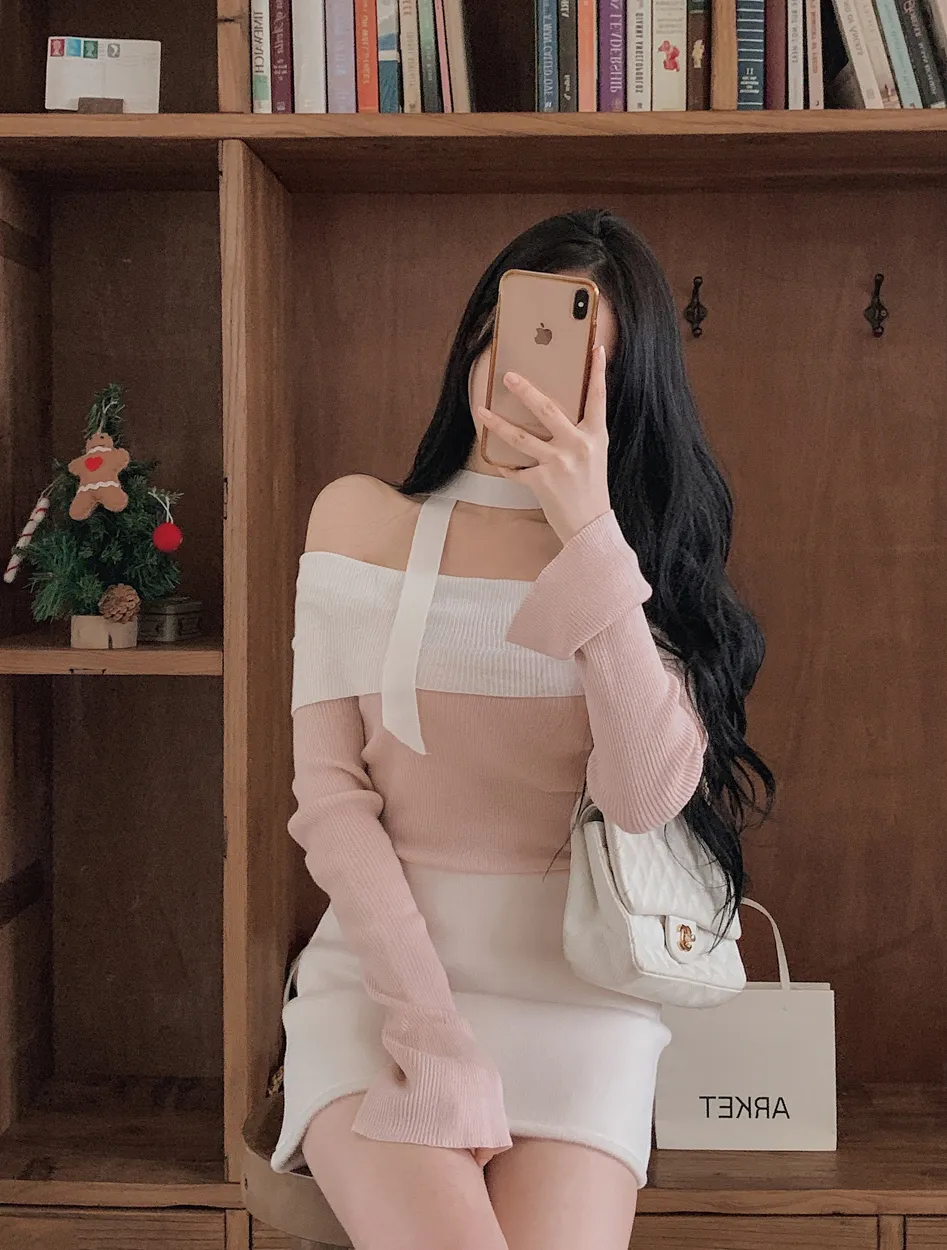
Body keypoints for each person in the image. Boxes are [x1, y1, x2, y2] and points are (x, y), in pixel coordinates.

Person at [269, 209, 775, 1250]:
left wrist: (586, 530)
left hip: (584, 1005)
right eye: (517, 337)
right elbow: (331, 803)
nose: (532, 381)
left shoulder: (638, 564)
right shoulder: (358, 520)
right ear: (476, 342)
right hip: (382, 997)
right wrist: (430, 1032)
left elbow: (644, 793)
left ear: (625, 395)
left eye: (582, 364)